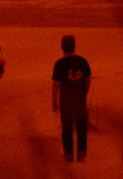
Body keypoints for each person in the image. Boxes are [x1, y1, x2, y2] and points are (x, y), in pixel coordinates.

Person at [51, 34, 92, 162]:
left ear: (62, 47)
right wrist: (83, 93)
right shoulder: (82, 61)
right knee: (81, 128)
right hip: (79, 99)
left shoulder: (59, 63)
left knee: (67, 128)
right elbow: (88, 79)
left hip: (66, 100)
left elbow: (56, 84)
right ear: (74, 46)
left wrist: (54, 102)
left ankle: (68, 154)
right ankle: (81, 154)